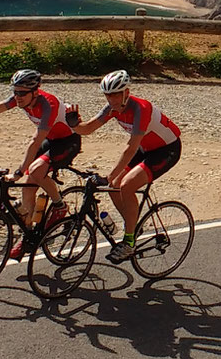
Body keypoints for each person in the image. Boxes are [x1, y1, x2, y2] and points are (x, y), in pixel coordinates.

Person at [74, 69, 181, 262]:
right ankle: (133, 226)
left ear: (126, 92)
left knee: (126, 185)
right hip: (146, 148)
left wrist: (109, 175)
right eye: (108, 95)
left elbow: (130, 148)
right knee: (114, 187)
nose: (112, 100)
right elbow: (88, 128)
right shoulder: (112, 109)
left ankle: (129, 241)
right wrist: (73, 124)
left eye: (116, 94)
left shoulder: (141, 109)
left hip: (166, 150)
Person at [0, 68, 80, 235]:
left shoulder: (48, 104)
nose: (18, 97)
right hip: (50, 139)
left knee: (35, 171)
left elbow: (35, 140)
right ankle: (28, 233)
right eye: (15, 92)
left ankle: (59, 205)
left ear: (35, 92)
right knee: (28, 188)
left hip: (68, 141)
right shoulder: (22, 98)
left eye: (22, 93)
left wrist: (18, 172)